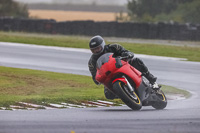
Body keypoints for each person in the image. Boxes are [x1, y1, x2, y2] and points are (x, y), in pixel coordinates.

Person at [88, 35, 159, 100]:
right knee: (108, 95)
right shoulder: (91, 62)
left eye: (98, 48)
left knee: (137, 61)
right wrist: (97, 79)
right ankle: (125, 94)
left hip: (122, 66)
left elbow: (126, 52)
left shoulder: (113, 47)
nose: (96, 51)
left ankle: (152, 81)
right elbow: (94, 76)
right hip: (109, 75)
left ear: (102, 45)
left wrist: (127, 55)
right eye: (94, 50)